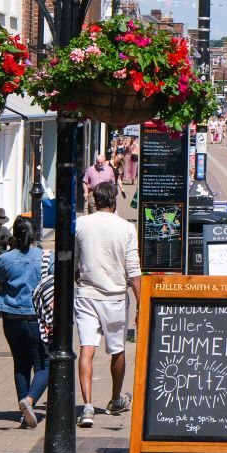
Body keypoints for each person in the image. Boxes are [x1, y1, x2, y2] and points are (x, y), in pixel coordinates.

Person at [73, 182, 141, 428]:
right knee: (117, 350)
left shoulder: (80, 224)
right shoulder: (126, 228)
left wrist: (79, 281)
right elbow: (133, 270)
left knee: (86, 348)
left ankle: (88, 406)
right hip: (114, 296)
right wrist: (141, 304)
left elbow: (75, 263)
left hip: (87, 294)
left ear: (94, 200)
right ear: (114, 200)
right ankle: (114, 399)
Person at [0, 216, 52, 429]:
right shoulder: (45, 257)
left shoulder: (5, 258)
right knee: (44, 364)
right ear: (34, 234)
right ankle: (30, 401)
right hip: (36, 317)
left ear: (14, 236)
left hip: (11, 317)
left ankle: (24, 412)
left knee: (20, 363)